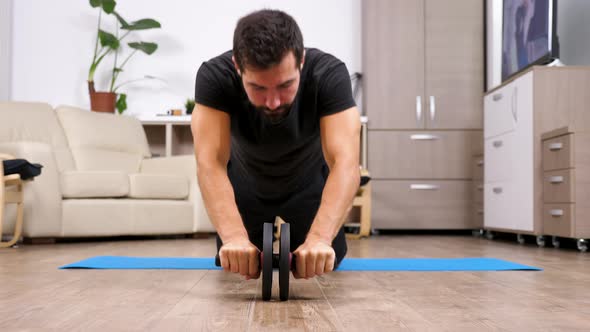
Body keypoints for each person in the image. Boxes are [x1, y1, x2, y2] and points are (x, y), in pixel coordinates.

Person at [191, 9, 361, 280]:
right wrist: (234, 236)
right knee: (234, 267)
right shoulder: (216, 77)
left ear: (301, 61)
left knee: (329, 263)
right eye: (258, 88)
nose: (273, 102)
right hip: (245, 190)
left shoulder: (329, 75)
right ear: (238, 66)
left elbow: (346, 164)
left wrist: (319, 238)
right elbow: (210, 162)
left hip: (309, 189)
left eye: (285, 85)